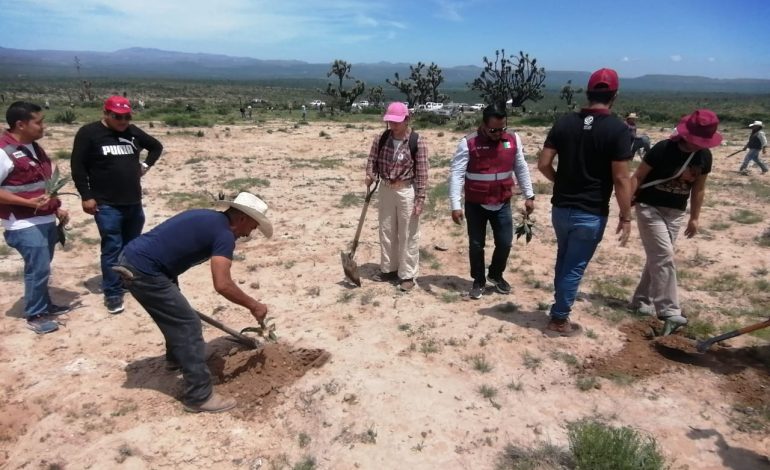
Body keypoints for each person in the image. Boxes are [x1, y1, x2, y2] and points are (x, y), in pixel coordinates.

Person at [115, 192, 272, 413]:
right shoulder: (225, 235)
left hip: (140, 261)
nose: (249, 233)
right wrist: (254, 305)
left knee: (177, 315)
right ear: (242, 218)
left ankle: (176, 359)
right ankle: (199, 396)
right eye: (253, 227)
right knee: (188, 325)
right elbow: (223, 284)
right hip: (145, 270)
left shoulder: (208, 218)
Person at [537, 68, 634, 335]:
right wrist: (626, 216)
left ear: (588, 92)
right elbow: (621, 178)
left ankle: (559, 306)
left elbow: (544, 164)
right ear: (614, 95)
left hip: (561, 208)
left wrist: (560, 181)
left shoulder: (564, 122)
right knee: (575, 264)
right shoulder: (618, 129)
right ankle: (559, 318)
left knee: (565, 258)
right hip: (590, 210)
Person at [629, 109, 722, 332]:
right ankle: (669, 309)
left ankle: (640, 301)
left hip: (676, 213)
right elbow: (638, 177)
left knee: (658, 256)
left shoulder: (704, 156)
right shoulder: (663, 149)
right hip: (649, 207)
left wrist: (695, 218)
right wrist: (626, 207)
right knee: (664, 255)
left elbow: (699, 189)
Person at [70, 96, 163, 314]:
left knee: (131, 247)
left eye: (127, 117)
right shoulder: (89, 133)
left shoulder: (132, 132)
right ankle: (112, 292)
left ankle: (128, 282)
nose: (123, 121)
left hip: (133, 200)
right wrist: (86, 195)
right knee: (112, 247)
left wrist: (146, 165)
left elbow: (156, 147)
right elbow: (78, 167)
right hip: (106, 203)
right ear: (106, 113)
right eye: (118, 117)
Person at [449, 103, 535, 299]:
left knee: (505, 243)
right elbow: (457, 174)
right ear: (483, 125)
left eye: (502, 128)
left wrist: (529, 195)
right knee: (477, 245)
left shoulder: (512, 139)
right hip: (476, 203)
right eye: (494, 129)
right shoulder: (469, 142)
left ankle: (495, 274)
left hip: (502, 201)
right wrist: (455, 205)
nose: (499, 133)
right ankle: (478, 280)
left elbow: (520, 166)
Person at [0, 102, 70, 334]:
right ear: (20, 124)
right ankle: (36, 314)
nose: (43, 126)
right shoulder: (4, 151)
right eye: (38, 122)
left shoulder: (33, 147)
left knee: (43, 267)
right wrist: (27, 203)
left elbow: (41, 185)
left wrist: (54, 208)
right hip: (23, 222)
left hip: (43, 219)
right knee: (38, 269)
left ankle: (44, 305)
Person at [365, 102, 429, 291]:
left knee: (408, 233)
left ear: (407, 120)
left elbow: (423, 173)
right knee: (386, 230)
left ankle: (407, 274)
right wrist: (370, 174)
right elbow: (372, 160)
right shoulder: (381, 138)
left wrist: (420, 199)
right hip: (385, 189)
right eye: (390, 122)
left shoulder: (417, 141)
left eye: (397, 122)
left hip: (406, 191)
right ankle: (389, 268)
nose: (393, 126)